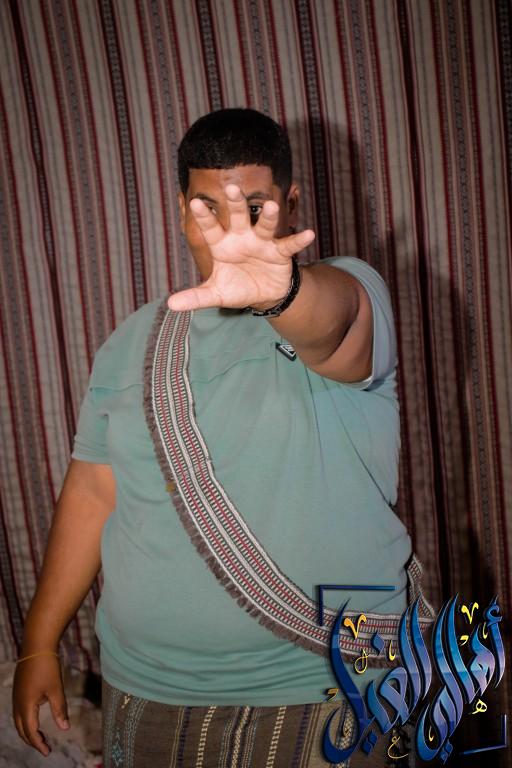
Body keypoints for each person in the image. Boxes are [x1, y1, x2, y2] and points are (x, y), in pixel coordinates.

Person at [12, 108, 425, 767]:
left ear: (291, 204)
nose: (232, 232)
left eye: (254, 208)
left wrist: (281, 293)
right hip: (147, 693)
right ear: (182, 210)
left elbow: (334, 326)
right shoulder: (130, 343)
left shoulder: (347, 291)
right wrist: (39, 641)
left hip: (332, 688)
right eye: (208, 207)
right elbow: (93, 491)